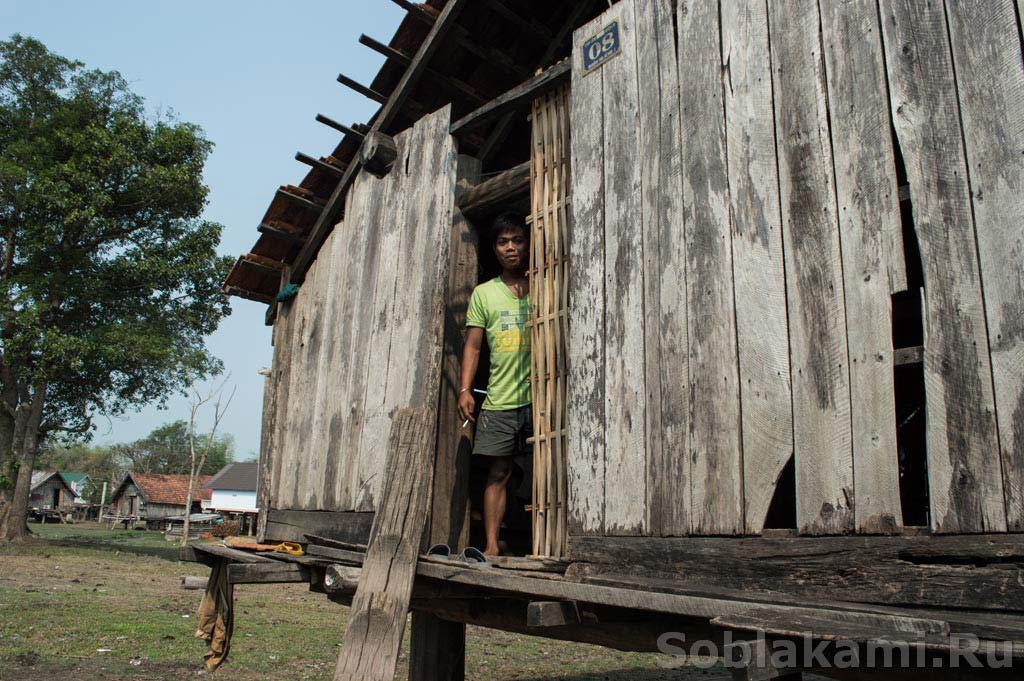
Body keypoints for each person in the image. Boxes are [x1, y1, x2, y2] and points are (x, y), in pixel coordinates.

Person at [458, 212, 532, 557]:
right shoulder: (484, 294)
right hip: (501, 398)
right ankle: (490, 547)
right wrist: (465, 389)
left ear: (528, 244)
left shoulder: (545, 284)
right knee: (499, 472)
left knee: (546, 471)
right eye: (503, 242)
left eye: (517, 240)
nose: (511, 248)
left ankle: (546, 544)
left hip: (543, 395)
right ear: (494, 248)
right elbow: (473, 345)